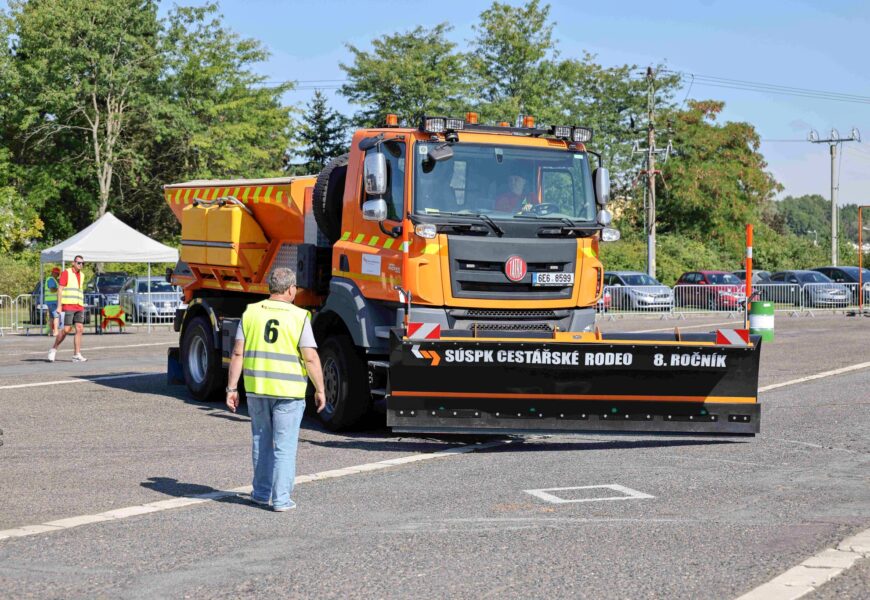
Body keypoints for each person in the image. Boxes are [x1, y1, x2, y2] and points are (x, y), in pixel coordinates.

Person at [226, 267, 326, 512]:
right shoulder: (299, 316)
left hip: (257, 389)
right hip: (289, 391)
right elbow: (310, 358)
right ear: (291, 289)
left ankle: (260, 494)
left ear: (270, 287)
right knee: (284, 446)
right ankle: (280, 499)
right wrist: (320, 389)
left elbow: (238, 352)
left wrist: (231, 388)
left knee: (261, 441)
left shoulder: (251, 313)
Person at [47, 256, 87, 363]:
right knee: (66, 330)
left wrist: (83, 303)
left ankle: (76, 354)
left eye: (83, 263)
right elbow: (60, 290)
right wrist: (59, 306)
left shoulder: (82, 275)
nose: (81, 265)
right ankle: (53, 348)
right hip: (68, 305)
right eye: (79, 263)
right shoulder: (66, 273)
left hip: (79, 305)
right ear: (73, 263)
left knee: (79, 328)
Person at [43, 267, 61, 337]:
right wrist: (59, 289)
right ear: (53, 273)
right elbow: (52, 290)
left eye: (57, 274)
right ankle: (56, 331)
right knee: (56, 316)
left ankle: (51, 331)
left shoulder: (52, 279)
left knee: (51, 317)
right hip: (52, 301)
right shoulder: (51, 279)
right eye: (56, 273)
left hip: (50, 301)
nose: (57, 275)